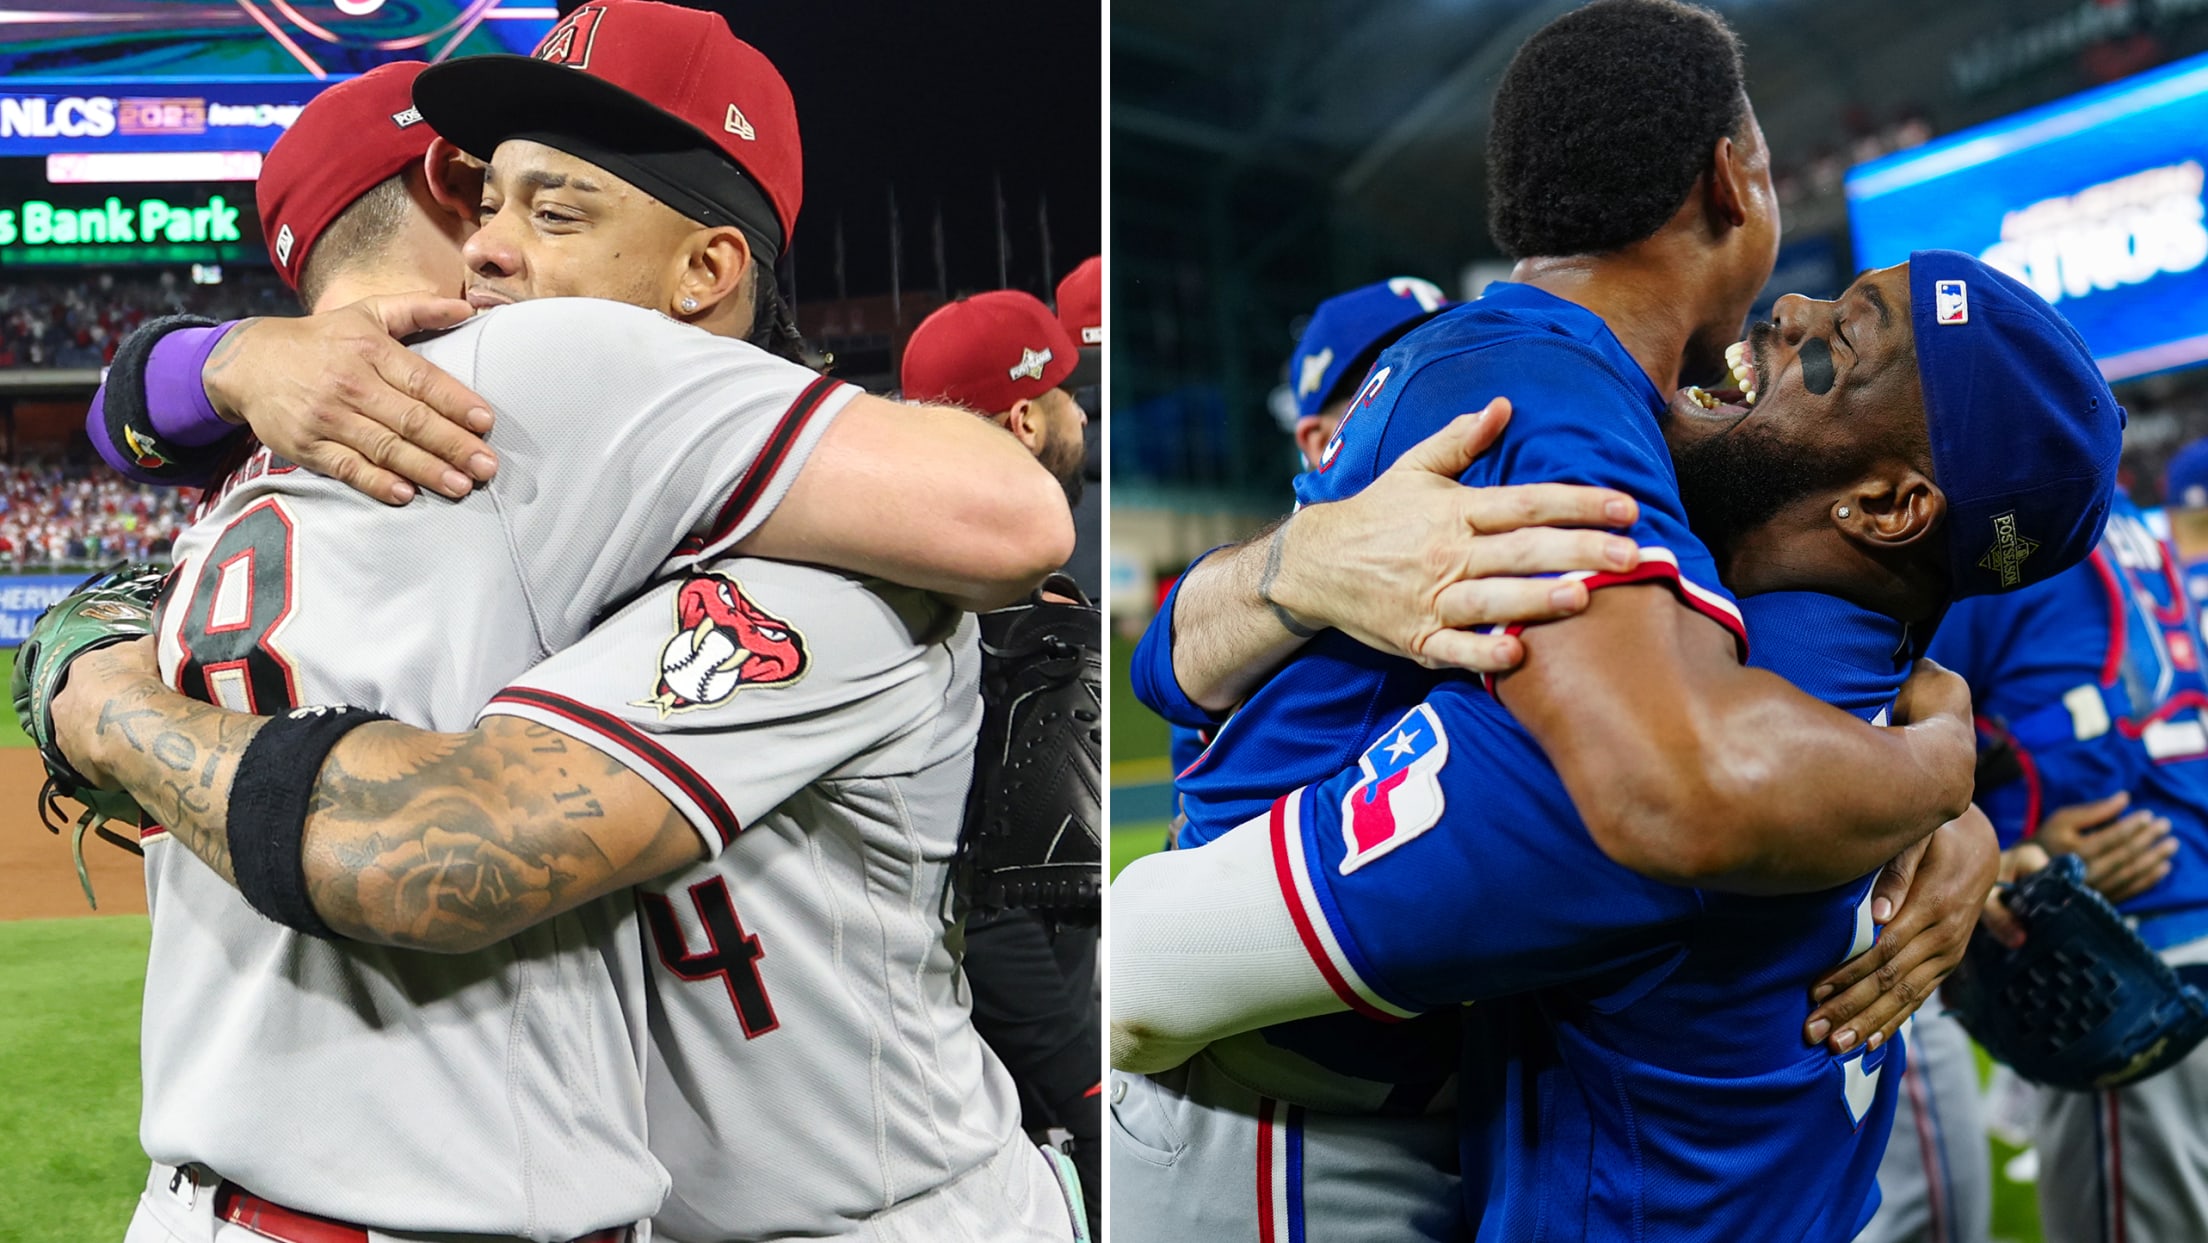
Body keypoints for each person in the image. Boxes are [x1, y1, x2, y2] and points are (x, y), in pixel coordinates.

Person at [70, 7, 1069, 1240]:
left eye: (550, 212)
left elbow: (424, 850)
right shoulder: (528, 487)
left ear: (707, 270)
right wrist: (216, 360)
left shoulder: (822, 564)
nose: (486, 252)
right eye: (484, 203)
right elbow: (133, 413)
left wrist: (103, 701)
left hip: (882, 1214)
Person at [1118, 2, 2028, 1238]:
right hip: (1287, 1098)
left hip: (1349, 1064)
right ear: (1735, 178)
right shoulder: (1556, 393)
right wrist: (1933, 775)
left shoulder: (1564, 377)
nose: (1796, 323)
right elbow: (1669, 785)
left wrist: (1944, 790)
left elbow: (1165, 667)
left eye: (1842, 347)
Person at [1930, 483, 2208, 1243]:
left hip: (2116, 942)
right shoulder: (2124, 519)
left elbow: (1876, 715)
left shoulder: (2011, 516)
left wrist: (2014, 847)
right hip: (2180, 887)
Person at [900, 289, 1106, 1235]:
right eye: (1065, 392)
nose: (1082, 413)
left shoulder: (903, 587)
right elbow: (995, 910)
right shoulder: (1024, 631)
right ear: (1025, 419)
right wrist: (1087, 1084)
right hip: (1023, 1081)